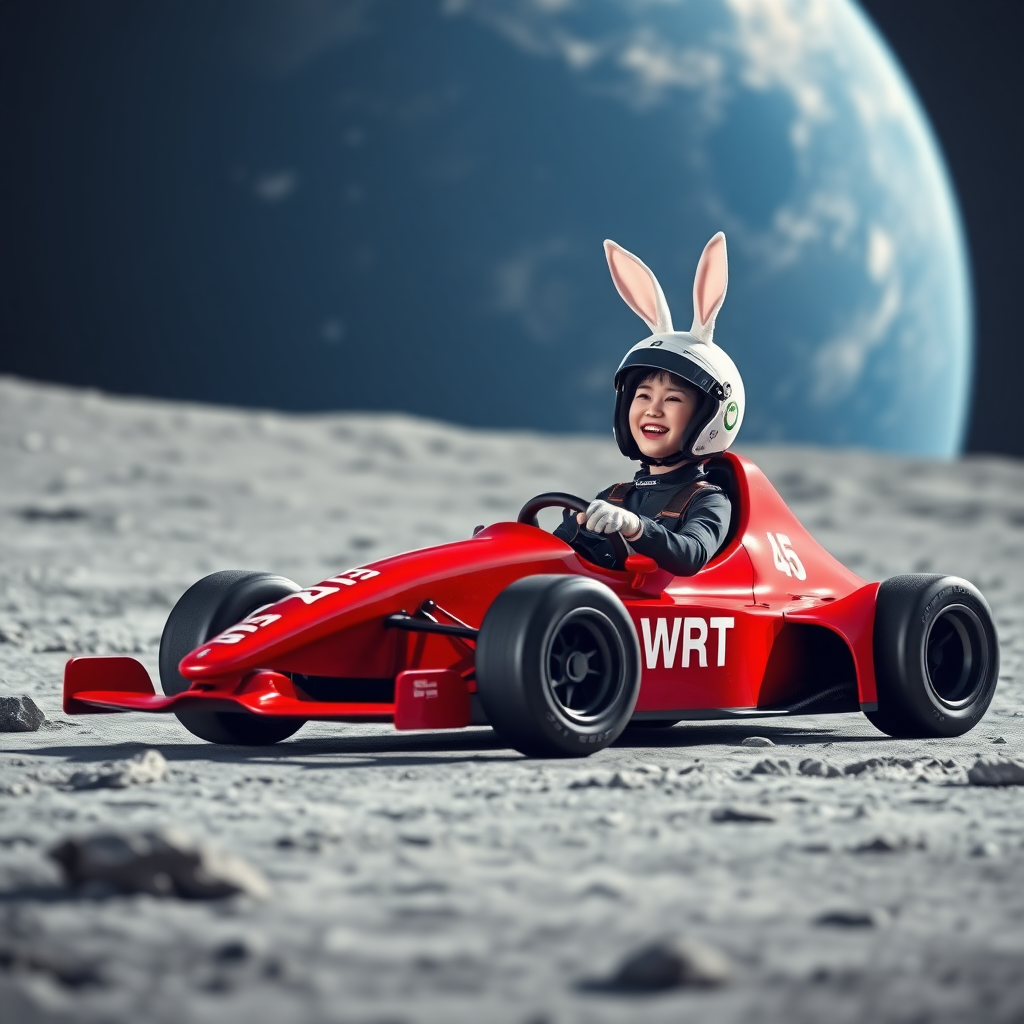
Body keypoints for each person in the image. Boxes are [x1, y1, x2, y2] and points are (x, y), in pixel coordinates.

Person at [555, 232, 745, 576]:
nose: (652, 409)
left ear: (709, 418)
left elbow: (692, 553)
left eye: (672, 399)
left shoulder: (708, 499)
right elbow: (551, 556)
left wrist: (636, 528)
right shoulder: (613, 496)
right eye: (643, 396)